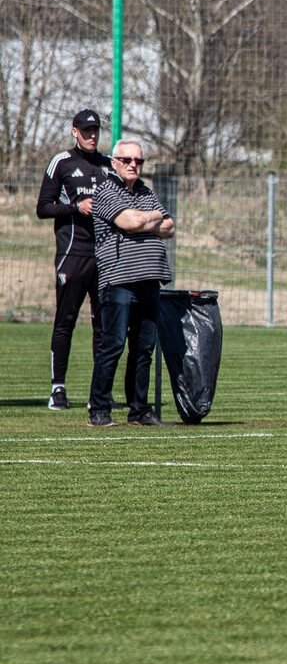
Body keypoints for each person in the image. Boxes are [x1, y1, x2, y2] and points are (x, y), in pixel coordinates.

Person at [87, 141, 175, 427]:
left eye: (138, 160)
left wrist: (144, 220)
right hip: (118, 281)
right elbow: (128, 221)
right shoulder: (106, 191)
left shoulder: (146, 191)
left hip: (150, 280)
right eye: (126, 159)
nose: (133, 164)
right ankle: (99, 410)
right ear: (114, 162)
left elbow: (170, 227)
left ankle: (138, 411)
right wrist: (153, 218)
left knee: (143, 349)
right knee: (113, 344)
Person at [36, 109, 114, 411]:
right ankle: (58, 389)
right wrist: (75, 207)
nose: (92, 135)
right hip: (73, 255)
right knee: (65, 321)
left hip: (105, 258)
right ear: (74, 132)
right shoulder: (62, 163)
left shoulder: (108, 165)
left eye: (95, 130)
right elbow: (43, 208)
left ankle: (101, 394)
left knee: (104, 326)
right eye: (86, 130)